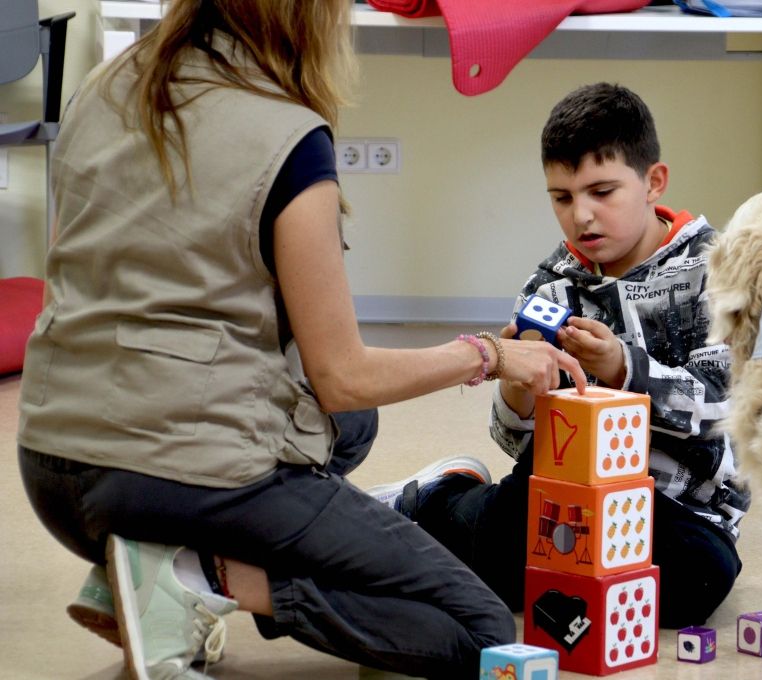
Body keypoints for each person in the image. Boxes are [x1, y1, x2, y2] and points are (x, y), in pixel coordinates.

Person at [16, 2, 587, 678]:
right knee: (481, 627)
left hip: (51, 462)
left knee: (349, 428)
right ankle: (200, 576)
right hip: (170, 475)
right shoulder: (287, 136)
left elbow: (72, 283)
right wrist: (490, 354)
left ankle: (135, 568)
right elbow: (341, 373)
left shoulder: (105, 85)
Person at [367, 82, 750, 630]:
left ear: (653, 182)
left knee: (694, 588)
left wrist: (623, 367)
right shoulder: (552, 287)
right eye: (563, 198)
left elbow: (725, 407)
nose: (582, 217)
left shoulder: (717, 270)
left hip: (683, 512)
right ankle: (440, 497)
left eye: (602, 191)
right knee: (495, 566)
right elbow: (515, 439)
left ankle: (467, 519)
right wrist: (517, 389)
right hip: (564, 498)